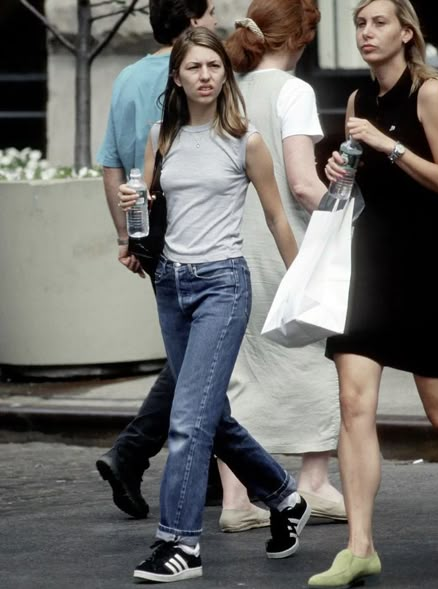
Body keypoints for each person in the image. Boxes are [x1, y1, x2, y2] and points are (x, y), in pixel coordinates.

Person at [118, 27, 310, 584]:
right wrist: (133, 216)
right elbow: (150, 207)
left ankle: (180, 543)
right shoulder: (161, 136)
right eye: (195, 67)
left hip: (223, 287)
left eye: (215, 67)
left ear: (225, 74)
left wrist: (300, 284)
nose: (206, 76)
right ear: (176, 75)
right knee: (209, 414)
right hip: (170, 286)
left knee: (187, 420)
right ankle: (284, 497)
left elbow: (277, 217)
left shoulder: (245, 140)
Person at [308, 1, 438, 587]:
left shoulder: (431, 93)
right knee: (354, 406)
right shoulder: (358, 102)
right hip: (368, 267)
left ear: (406, 32)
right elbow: (363, 181)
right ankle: (359, 547)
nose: (366, 33)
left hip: (428, 271)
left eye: (378, 22)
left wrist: (386, 144)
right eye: (359, 23)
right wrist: (341, 170)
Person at [215, 0, 346, 535]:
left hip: (230, 243)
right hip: (285, 242)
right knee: (315, 351)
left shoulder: (230, 90)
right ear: (299, 36)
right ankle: (313, 482)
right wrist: (353, 216)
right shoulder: (296, 91)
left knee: (241, 370)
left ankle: (236, 498)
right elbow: (301, 182)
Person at [94, 0, 219, 520]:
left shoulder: (125, 78)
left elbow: (111, 165)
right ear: (192, 20)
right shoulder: (199, 72)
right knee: (198, 356)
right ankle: (132, 452)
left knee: (193, 350)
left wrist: (126, 236)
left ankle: (203, 472)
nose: (215, 22)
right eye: (209, 12)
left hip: (152, 232)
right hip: (193, 230)